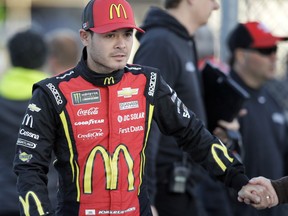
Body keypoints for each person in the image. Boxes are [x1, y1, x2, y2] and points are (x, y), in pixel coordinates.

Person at [13, 0, 263, 215]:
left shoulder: (148, 82)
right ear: (85, 37)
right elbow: (29, 168)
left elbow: (193, 134)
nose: (121, 44)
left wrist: (237, 179)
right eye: (110, 35)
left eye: (127, 34)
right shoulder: (52, 93)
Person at [133, 1, 238, 215]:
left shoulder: (182, 40)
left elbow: (178, 111)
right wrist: (146, 199)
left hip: (184, 184)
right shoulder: (160, 44)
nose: (217, 6)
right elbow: (144, 125)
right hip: (164, 190)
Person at [226, 21, 288, 216]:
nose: (274, 57)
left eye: (275, 49)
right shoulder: (223, 97)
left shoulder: (270, 99)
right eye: (265, 50)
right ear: (240, 55)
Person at [0, 29, 49, 215]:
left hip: (3, 200)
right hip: (44, 201)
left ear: (11, 58)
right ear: (44, 58)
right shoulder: (56, 101)